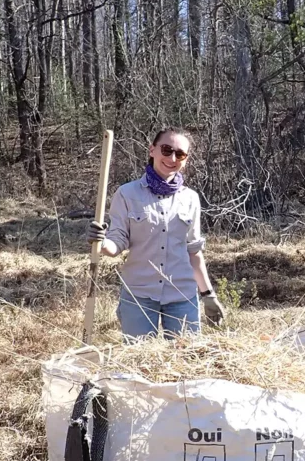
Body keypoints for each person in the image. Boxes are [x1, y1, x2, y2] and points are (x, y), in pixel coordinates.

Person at [88, 127, 226, 338]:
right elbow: (117, 241)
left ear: (186, 160)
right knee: (138, 356)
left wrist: (208, 294)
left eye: (180, 154)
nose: (172, 158)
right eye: (166, 150)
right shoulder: (126, 194)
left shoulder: (190, 198)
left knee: (185, 355)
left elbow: (194, 251)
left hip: (182, 294)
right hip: (139, 294)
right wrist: (102, 242)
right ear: (152, 150)